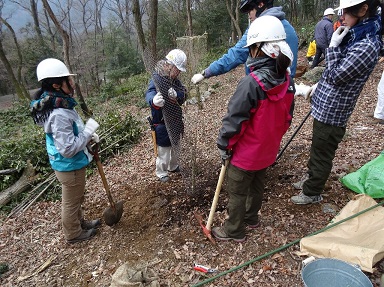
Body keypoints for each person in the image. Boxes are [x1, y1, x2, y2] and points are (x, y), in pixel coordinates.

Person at [291, 0, 384, 205]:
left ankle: (313, 191)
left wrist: (332, 47)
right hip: (326, 105)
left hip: (334, 111)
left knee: (322, 153)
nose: (341, 17)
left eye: (345, 13)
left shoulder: (367, 45)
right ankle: (312, 179)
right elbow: (334, 73)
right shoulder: (355, 35)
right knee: (317, 147)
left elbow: (336, 76)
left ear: (363, 10)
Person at [212, 15, 295, 242]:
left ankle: (234, 230)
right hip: (268, 151)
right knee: (257, 187)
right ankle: (251, 219)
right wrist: (273, 138)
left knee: (237, 192)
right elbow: (287, 118)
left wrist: (224, 145)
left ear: (259, 49)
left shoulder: (251, 83)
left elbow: (235, 120)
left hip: (246, 154)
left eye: (251, 48)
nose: (249, 52)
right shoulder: (287, 81)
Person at [30, 58, 101, 243]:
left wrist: (86, 137)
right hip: (69, 165)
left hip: (68, 164)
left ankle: (79, 223)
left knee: (76, 198)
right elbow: (68, 148)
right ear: (56, 85)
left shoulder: (59, 103)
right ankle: (73, 234)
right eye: (68, 80)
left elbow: (69, 136)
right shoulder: (59, 113)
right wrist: (88, 132)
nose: (72, 83)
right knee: (71, 202)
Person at [191, 0, 298, 84]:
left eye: (250, 9)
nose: (249, 15)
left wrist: (207, 72)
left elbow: (236, 54)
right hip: (285, 93)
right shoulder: (290, 29)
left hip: (259, 94)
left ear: (260, 5)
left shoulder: (258, 29)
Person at [145, 49, 188, 183]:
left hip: (175, 120)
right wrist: (153, 101)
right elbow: (149, 93)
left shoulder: (175, 81)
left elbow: (183, 93)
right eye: (177, 69)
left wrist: (178, 95)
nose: (179, 72)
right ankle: (161, 172)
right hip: (162, 122)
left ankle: (173, 166)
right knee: (163, 150)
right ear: (169, 66)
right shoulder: (157, 78)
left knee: (176, 145)